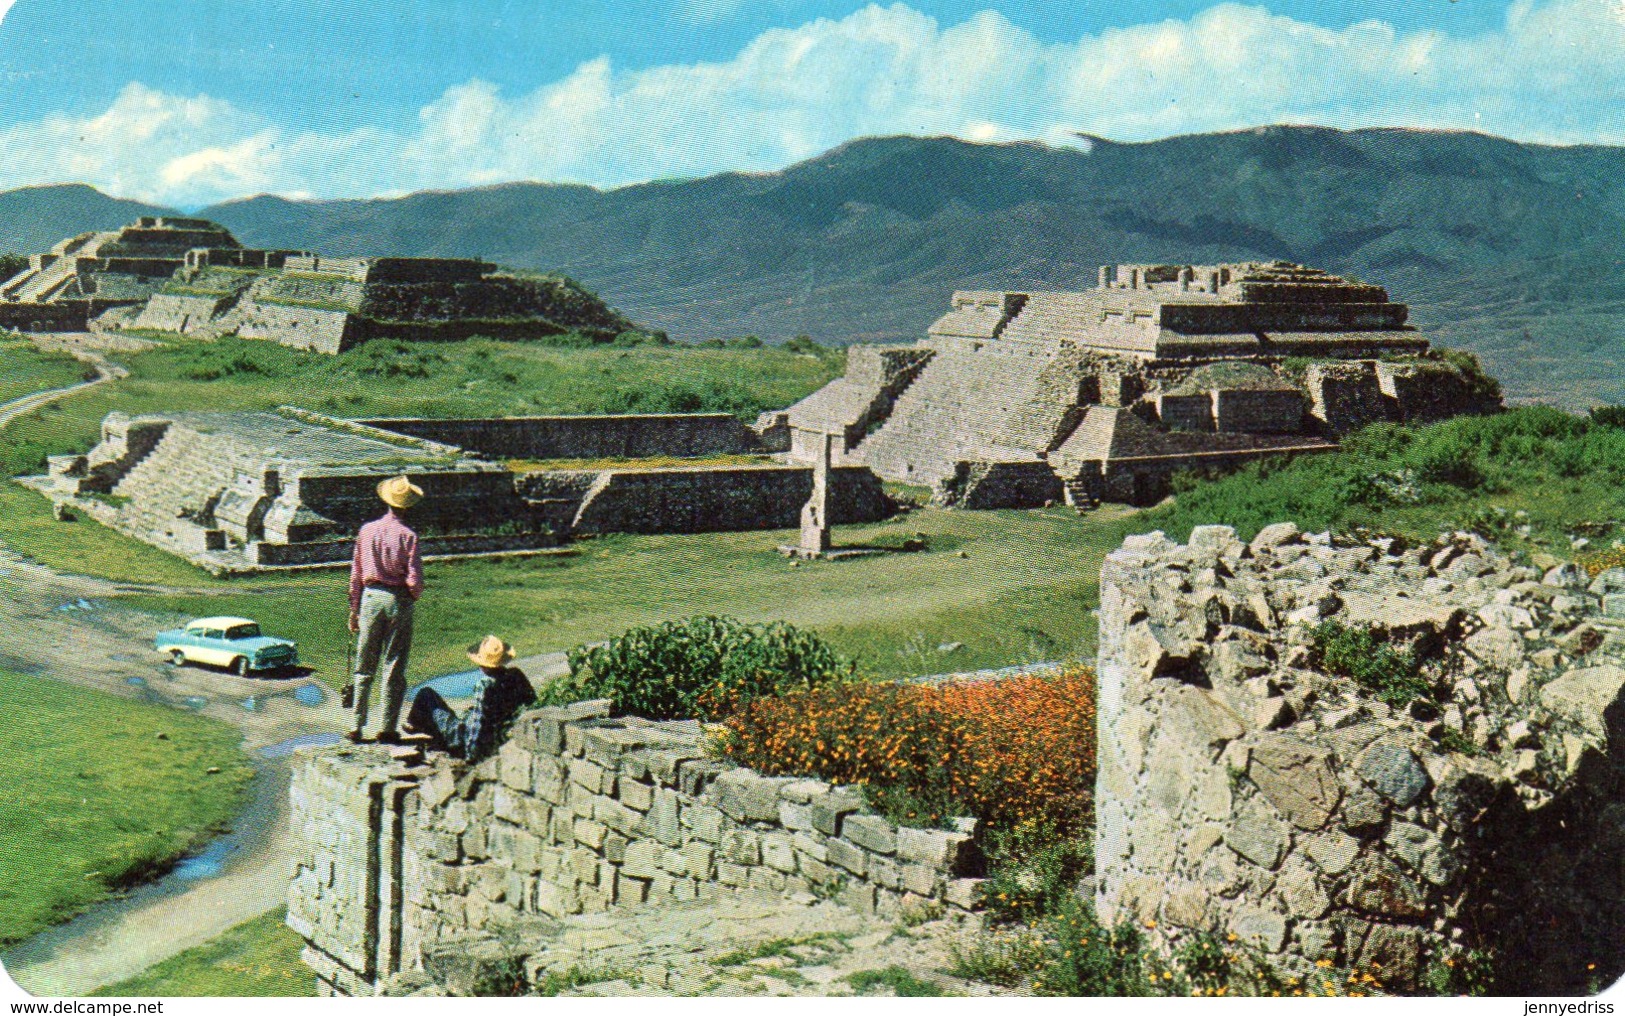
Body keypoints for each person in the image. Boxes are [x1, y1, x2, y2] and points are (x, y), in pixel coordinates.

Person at [347, 475, 426, 744]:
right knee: (393, 666)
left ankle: (356, 725)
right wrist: (410, 596)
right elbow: (414, 580)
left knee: (364, 665)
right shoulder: (409, 536)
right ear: (407, 506)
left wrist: (354, 608)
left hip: (370, 597)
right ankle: (386, 728)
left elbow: (356, 572)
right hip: (397, 599)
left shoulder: (366, 530)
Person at [405, 635, 537, 761]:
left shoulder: (485, 686)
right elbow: (531, 701)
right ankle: (420, 726)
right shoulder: (516, 675)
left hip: (461, 738)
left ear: (483, 664)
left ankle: (417, 725)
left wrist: (469, 755)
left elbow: (477, 725)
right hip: (498, 736)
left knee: (426, 694)